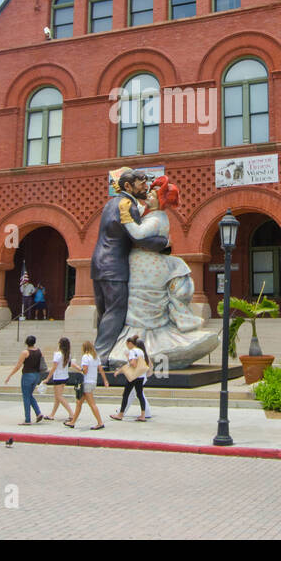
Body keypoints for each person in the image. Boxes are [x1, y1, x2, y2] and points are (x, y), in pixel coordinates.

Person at [106, 175, 218, 368]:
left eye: (152, 194)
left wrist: (126, 217)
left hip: (148, 268)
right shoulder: (150, 213)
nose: (148, 195)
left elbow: (139, 234)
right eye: (149, 192)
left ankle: (147, 346)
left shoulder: (158, 218)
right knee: (137, 306)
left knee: (144, 306)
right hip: (141, 266)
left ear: (160, 200)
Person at [92, 168, 170, 359]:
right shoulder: (128, 205)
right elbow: (138, 238)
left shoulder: (112, 203)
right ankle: (100, 358)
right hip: (114, 268)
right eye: (142, 184)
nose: (146, 187)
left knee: (104, 314)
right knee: (115, 312)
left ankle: (98, 355)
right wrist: (164, 243)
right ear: (128, 186)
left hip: (98, 265)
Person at [66, 340, 108, 430]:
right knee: (79, 402)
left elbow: (85, 371)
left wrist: (76, 367)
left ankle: (100, 422)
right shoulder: (96, 357)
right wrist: (105, 380)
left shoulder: (85, 357)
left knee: (91, 404)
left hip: (86, 382)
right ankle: (72, 422)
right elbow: (101, 370)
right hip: (93, 382)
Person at [4, 335, 47, 425]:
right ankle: (38, 413)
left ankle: (28, 419)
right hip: (36, 375)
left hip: (27, 375)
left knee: (26, 397)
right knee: (29, 395)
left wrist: (10, 375)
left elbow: (18, 365)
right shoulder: (39, 351)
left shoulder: (25, 352)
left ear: (26, 343)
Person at [111, 335, 152, 422]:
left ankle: (120, 414)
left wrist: (128, 360)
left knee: (126, 394)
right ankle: (143, 415)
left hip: (133, 376)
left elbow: (133, 363)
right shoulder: (141, 351)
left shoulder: (132, 351)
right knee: (140, 395)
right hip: (140, 376)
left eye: (127, 344)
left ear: (130, 343)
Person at [45, 336, 75, 423]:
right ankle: (52, 414)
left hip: (58, 377)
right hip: (64, 376)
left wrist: (47, 378)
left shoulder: (57, 354)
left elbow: (54, 368)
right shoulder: (67, 354)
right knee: (57, 397)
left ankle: (71, 414)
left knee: (59, 396)